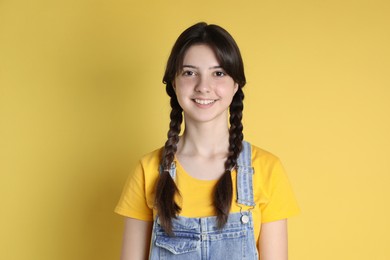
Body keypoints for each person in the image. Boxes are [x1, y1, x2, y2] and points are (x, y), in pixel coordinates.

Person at [115, 22, 299, 260]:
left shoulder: (266, 169)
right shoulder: (147, 170)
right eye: (190, 73)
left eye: (218, 73)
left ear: (236, 85)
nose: (203, 87)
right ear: (174, 83)